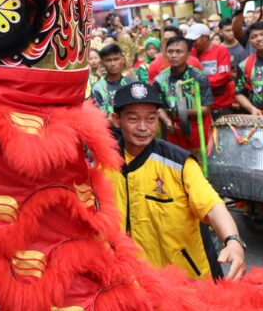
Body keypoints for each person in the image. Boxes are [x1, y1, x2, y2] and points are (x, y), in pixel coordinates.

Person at [104, 82, 246, 281]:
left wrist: (233, 242)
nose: (143, 127)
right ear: (116, 120)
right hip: (132, 278)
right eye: (133, 119)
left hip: (187, 279)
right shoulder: (104, 162)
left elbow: (213, 206)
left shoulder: (179, 162)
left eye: (151, 119)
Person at [155, 36, 213, 153]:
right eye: (170, 51)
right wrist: (167, 121)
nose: (173, 55)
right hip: (174, 129)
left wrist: (182, 111)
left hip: (198, 127)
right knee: (177, 160)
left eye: (179, 52)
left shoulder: (199, 77)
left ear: (188, 54)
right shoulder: (160, 79)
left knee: (199, 160)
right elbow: (158, 106)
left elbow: (206, 108)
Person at [186, 23, 235, 119]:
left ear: (205, 37)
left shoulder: (221, 51)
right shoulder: (192, 52)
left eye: (195, 40)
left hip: (221, 105)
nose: (193, 43)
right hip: (200, 107)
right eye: (192, 40)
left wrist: (199, 83)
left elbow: (223, 76)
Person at [91, 44, 137, 120]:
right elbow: (99, 117)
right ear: (102, 63)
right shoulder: (98, 88)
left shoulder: (132, 83)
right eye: (108, 60)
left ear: (123, 60)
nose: (113, 64)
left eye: (116, 59)